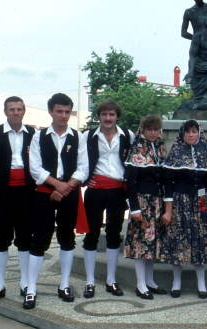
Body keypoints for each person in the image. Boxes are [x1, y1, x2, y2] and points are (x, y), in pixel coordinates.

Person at [24, 93, 89, 309]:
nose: (63, 116)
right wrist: (55, 184)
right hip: (44, 192)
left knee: (67, 237)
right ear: (51, 111)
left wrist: (66, 187)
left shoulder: (78, 137)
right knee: (40, 237)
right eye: (59, 111)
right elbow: (34, 168)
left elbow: (83, 167)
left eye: (67, 112)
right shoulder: (38, 136)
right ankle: (31, 289)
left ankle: (64, 285)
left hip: (69, 192)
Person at [0, 97, 36, 302]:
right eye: (12, 109)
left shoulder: (33, 133)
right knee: (0, 238)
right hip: (3, 193)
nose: (16, 112)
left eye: (19, 109)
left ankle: (25, 282)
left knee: (25, 238)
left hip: (27, 193)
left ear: (24, 111)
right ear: (5, 111)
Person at [81, 100, 134, 298]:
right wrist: (85, 180)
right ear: (99, 116)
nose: (108, 118)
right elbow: (80, 160)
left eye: (112, 114)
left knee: (113, 233)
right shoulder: (88, 136)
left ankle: (111, 280)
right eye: (104, 114)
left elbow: (133, 162)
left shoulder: (128, 135)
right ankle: (89, 281)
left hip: (117, 190)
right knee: (91, 234)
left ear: (117, 116)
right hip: (95, 190)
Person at [161, 120, 207, 299]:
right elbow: (168, 185)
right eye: (188, 132)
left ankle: (201, 282)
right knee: (179, 240)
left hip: (200, 203)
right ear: (182, 134)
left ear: (199, 133)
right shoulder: (175, 153)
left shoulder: (203, 153)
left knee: (200, 239)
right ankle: (177, 282)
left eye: (194, 131)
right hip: (180, 202)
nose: (191, 135)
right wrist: (168, 210)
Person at [122, 115, 169, 300]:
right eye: (149, 129)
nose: (153, 132)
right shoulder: (136, 150)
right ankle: (140, 284)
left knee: (153, 244)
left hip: (157, 202)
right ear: (143, 129)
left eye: (156, 129)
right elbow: (130, 182)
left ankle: (150, 281)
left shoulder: (160, 147)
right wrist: (134, 208)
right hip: (142, 202)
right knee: (141, 244)